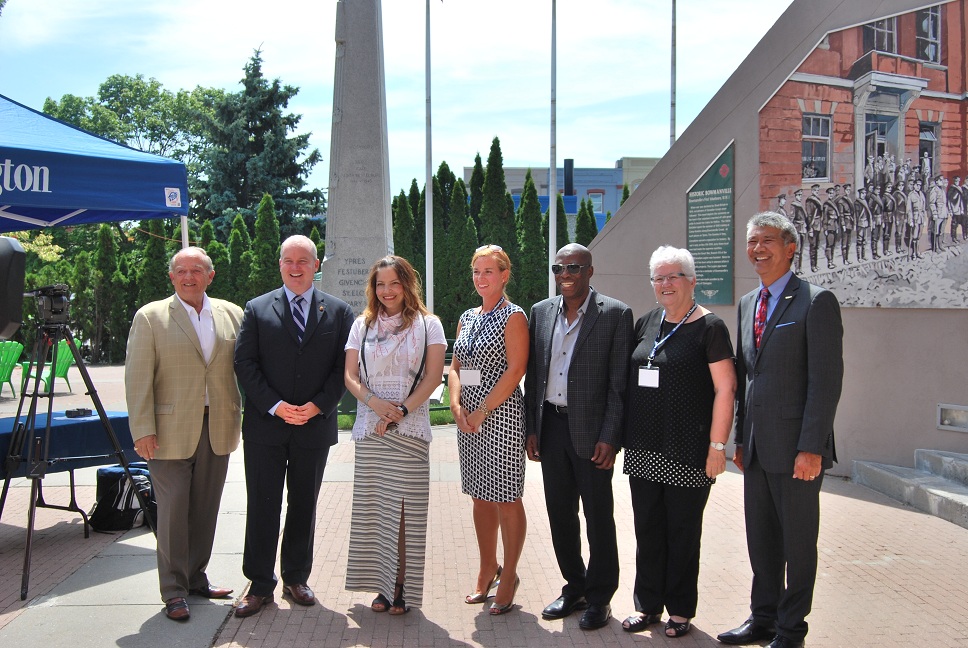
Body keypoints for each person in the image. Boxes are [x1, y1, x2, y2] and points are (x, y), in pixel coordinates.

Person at [718, 212, 843, 648]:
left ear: (790, 247)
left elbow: (825, 382)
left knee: (798, 546)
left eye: (767, 240)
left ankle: (791, 631)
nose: (757, 249)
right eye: (752, 241)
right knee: (762, 543)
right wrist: (739, 436)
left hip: (797, 452)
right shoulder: (748, 303)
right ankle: (763, 619)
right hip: (755, 448)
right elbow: (745, 376)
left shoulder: (817, 300)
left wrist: (811, 447)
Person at [233, 235, 355, 618]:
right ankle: (259, 583)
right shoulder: (255, 309)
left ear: (316, 265)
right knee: (263, 505)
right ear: (280, 264)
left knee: (304, 505)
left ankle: (296, 578)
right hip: (266, 427)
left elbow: (344, 369)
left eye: (304, 260)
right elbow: (244, 364)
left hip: (313, 427)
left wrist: (318, 405)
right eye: (289, 260)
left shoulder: (338, 312)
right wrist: (275, 405)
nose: (296, 266)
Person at [620, 246, 736, 638]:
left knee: (683, 533)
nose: (665, 284)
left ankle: (681, 610)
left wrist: (717, 447)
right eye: (659, 278)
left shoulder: (710, 327)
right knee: (648, 529)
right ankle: (647, 605)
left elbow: (726, 389)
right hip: (644, 448)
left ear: (692, 280)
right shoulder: (647, 321)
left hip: (688, 451)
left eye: (674, 276)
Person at [125, 247, 242, 622]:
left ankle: (195, 578)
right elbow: (137, 378)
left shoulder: (232, 314)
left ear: (211, 276)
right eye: (181, 271)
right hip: (166, 433)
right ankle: (173, 590)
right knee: (173, 512)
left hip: (218, 427)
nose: (189, 276)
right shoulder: (151, 317)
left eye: (197, 270)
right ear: (171, 277)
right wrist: (142, 429)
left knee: (205, 510)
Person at [525, 243, 633, 630]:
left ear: (590, 271)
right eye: (559, 267)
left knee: (598, 516)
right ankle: (575, 586)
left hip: (593, 434)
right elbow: (534, 377)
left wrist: (610, 436)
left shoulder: (616, 314)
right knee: (560, 514)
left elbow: (620, 385)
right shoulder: (540, 313)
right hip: (551, 427)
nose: (565, 274)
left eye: (573, 267)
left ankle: (600, 597)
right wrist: (531, 428)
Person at [343, 256, 446, 615]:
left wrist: (400, 411)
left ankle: (400, 583)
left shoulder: (429, 324)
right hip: (373, 429)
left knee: (405, 512)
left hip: (410, 430)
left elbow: (434, 377)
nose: (386, 291)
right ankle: (381, 586)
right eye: (380, 284)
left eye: (394, 283)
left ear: (407, 284)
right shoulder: (362, 325)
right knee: (376, 509)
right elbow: (350, 376)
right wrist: (375, 404)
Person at [449, 244, 529, 615]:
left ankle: (509, 575)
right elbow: (457, 366)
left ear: (504, 275)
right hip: (469, 420)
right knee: (480, 495)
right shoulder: (467, 316)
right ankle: (487, 567)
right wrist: (456, 403)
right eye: (476, 272)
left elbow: (515, 371)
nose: (481, 278)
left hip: (501, 417)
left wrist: (482, 409)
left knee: (506, 497)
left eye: (489, 272)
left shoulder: (514, 316)